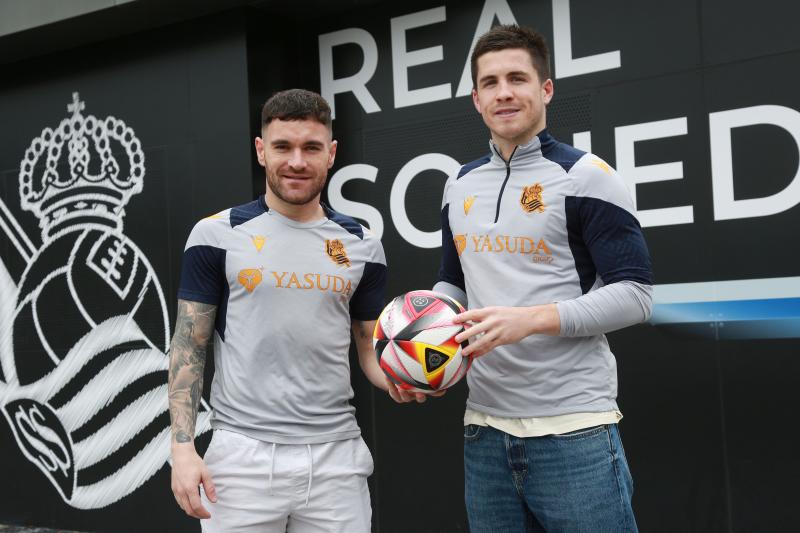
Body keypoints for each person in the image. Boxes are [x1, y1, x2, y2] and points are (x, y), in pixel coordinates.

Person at [167, 88, 420, 533]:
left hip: (335, 458)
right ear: (261, 151)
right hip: (241, 458)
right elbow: (190, 345)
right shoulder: (216, 235)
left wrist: (401, 378)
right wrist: (183, 449)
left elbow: (368, 345)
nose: (297, 161)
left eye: (311, 148)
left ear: (332, 153)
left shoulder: (362, 244)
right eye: (283, 147)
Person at [433, 25, 653, 532]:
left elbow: (637, 294)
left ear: (545, 89)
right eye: (490, 83)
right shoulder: (458, 184)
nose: (504, 92)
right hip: (484, 430)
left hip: (573, 431)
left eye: (517, 78)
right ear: (476, 98)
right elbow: (453, 282)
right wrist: (423, 335)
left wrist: (530, 320)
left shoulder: (585, 176)